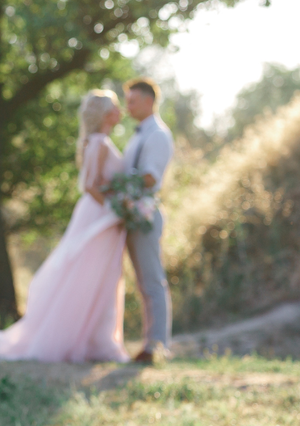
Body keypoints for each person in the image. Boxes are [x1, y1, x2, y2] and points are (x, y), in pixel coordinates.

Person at [0, 90, 131, 363]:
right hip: (100, 217)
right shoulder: (100, 143)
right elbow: (89, 185)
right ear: (107, 114)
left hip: (99, 215)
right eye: (116, 108)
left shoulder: (97, 142)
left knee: (99, 277)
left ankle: (98, 339)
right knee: (89, 276)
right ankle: (93, 341)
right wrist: (116, 207)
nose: (120, 112)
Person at [121, 77, 174, 364]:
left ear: (149, 101)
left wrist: (117, 184)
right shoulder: (139, 134)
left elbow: (151, 176)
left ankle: (157, 345)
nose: (128, 106)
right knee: (143, 283)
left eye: (132, 100)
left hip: (145, 213)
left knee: (152, 280)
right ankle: (149, 343)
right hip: (132, 213)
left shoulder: (157, 135)